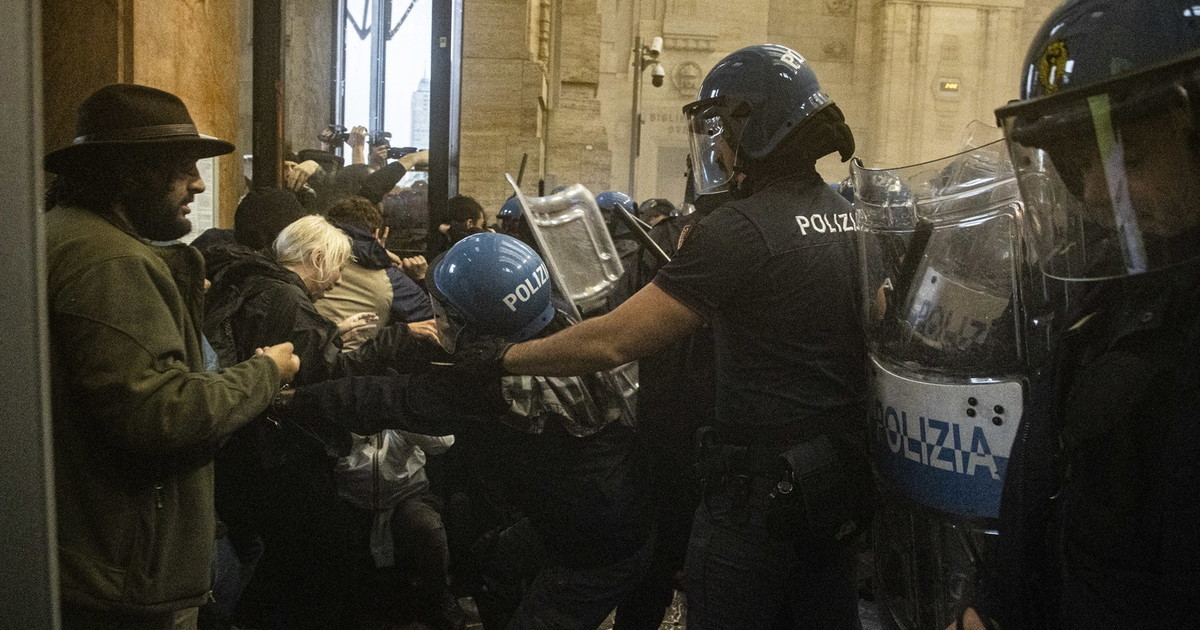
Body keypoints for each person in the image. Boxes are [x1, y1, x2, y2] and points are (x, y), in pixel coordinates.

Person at [459, 44, 872, 629]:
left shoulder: (740, 230)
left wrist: (504, 356)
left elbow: (614, 342)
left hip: (759, 501)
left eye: (721, 129)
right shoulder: (850, 217)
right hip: (835, 487)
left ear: (752, 127)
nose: (719, 149)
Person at [953, 1, 1200, 628]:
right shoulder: (1107, 295)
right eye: (1079, 164)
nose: (1094, 192)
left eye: (1130, 161)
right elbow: (1044, 485)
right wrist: (992, 602)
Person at [277, 233, 655, 630]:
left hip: (595, 548)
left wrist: (292, 400)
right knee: (495, 563)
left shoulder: (496, 387)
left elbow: (388, 398)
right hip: (602, 511)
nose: (436, 321)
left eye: (444, 314)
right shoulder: (561, 327)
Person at [43, 83, 300, 630]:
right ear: (131, 174)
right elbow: (157, 412)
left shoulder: (69, 238)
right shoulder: (109, 261)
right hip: (119, 575)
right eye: (183, 168)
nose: (198, 184)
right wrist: (266, 372)